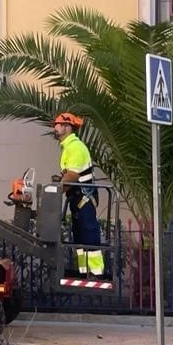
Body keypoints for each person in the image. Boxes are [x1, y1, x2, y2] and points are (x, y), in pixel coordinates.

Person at [51, 113, 104, 278]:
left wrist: (57, 190)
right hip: (77, 197)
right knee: (79, 235)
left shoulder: (75, 147)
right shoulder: (69, 147)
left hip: (84, 197)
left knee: (88, 232)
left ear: (67, 127)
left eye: (58, 124)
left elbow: (72, 175)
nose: (55, 127)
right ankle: (84, 271)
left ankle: (96, 272)